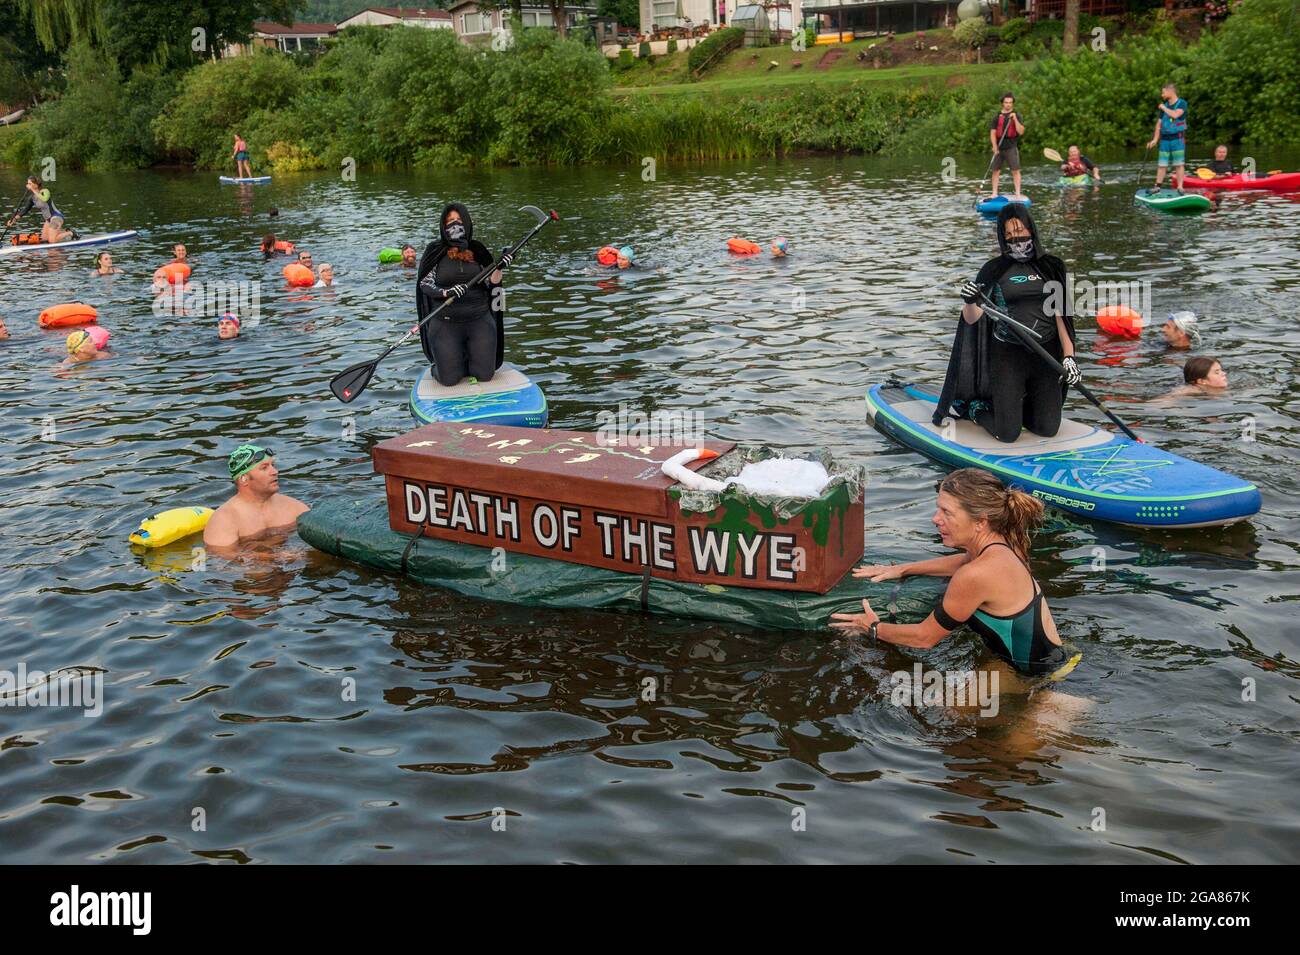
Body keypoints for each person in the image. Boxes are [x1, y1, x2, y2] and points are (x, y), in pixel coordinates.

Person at [831, 468, 1079, 679]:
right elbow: (962, 560)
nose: (935, 519)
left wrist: (872, 627)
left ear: (980, 521)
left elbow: (924, 638)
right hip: (1056, 659)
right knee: (954, 713)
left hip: (1042, 678)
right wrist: (902, 569)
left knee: (948, 720)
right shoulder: (1002, 545)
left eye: (947, 512)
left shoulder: (975, 575)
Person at [936, 203, 1079, 444]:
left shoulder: (1052, 266)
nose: (1016, 239)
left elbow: (1062, 315)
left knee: (1047, 429)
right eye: (1009, 235)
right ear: (1002, 238)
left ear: (1032, 230)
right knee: (1008, 434)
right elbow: (972, 319)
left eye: (1020, 231)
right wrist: (970, 301)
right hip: (1008, 354)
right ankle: (978, 409)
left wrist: (1069, 357)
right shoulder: (993, 269)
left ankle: (1016, 406)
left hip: (1046, 353)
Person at [416, 203, 508, 387]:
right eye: (450, 221)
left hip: (479, 319)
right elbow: (424, 285)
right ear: (443, 226)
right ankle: (441, 366)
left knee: (485, 376)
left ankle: (469, 360)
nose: (454, 224)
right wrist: (446, 292)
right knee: (449, 381)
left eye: (458, 220)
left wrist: (500, 267)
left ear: (466, 222)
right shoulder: (435, 251)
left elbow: (493, 284)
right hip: (445, 323)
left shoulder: (478, 250)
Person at [203, 444, 309, 548]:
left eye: (273, 465)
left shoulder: (294, 507)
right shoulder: (224, 520)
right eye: (264, 468)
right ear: (244, 479)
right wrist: (274, 557)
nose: (275, 472)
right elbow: (223, 558)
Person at [1147, 82, 1188, 193]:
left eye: (1163, 92)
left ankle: (1180, 187)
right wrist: (1155, 139)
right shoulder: (1164, 105)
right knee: (1162, 165)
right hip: (1165, 140)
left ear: (1171, 91)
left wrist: (1164, 108)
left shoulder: (1182, 103)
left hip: (1178, 139)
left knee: (1179, 164)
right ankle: (1157, 187)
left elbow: (1175, 115)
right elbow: (1159, 124)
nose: (1162, 95)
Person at [6, 177, 73, 244]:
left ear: (36, 185)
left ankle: (70, 233)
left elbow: (44, 199)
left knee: (52, 241)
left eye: (30, 183)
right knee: (44, 239)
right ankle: (61, 232)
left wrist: (32, 189)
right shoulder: (32, 198)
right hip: (48, 220)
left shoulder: (45, 191)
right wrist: (13, 219)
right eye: (27, 183)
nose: (27, 185)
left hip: (56, 217)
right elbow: (24, 210)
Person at [988, 93, 1025, 198]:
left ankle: (1017, 193)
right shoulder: (996, 116)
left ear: (1012, 103)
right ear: (1002, 103)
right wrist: (994, 146)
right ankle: (994, 193)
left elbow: (1021, 131)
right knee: (995, 170)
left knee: (1015, 171)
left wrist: (1015, 120)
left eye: (1010, 103)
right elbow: (992, 133)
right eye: (1006, 102)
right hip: (999, 147)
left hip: (1011, 147)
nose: (1008, 105)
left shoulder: (1017, 115)